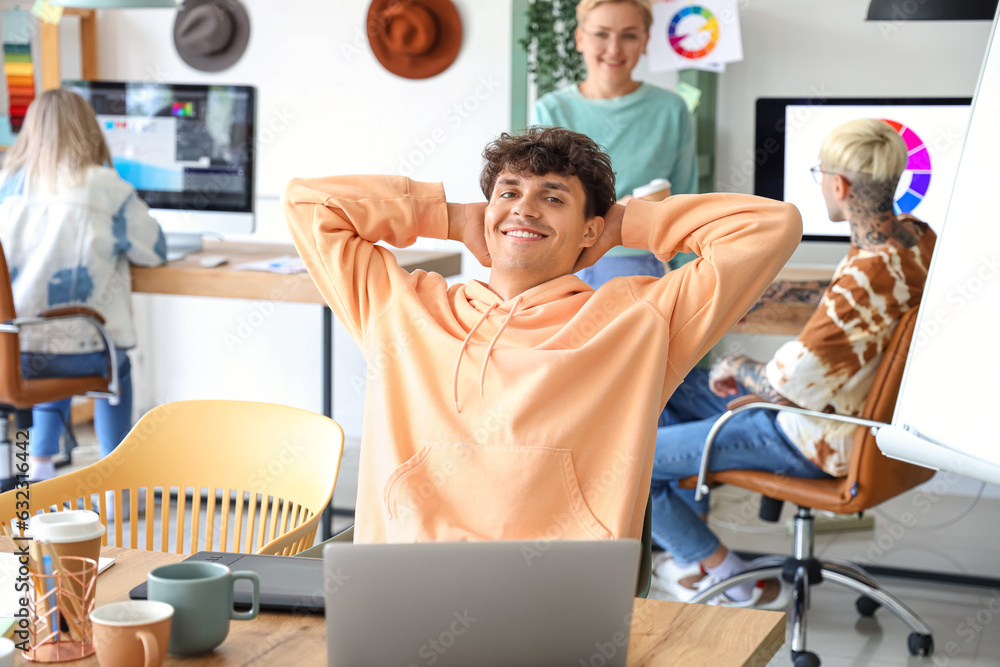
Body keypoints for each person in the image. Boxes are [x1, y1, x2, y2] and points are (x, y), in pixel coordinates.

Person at [283, 126, 800, 544]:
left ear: (591, 230)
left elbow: (771, 226)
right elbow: (311, 205)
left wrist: (626, 224)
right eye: (509, 193)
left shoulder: (640, 320)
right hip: (403, 574)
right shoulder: (403, 306)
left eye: (553, 199)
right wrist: (444, 215)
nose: (524, 209)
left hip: (560, 586)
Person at [648, 118, 936, 607]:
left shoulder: (859, 286)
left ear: (838, 185)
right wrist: (784, 295)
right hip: (859, 421)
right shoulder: (915, 239)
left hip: (811, 435)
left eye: (819, 173)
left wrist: (736, 365)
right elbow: (857, 302)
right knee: (665, 389)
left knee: (628, 457)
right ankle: (685, 550)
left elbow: (781, 389)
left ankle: (726, 574)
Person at [0, 88, 166, 482]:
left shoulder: (8, 185)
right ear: (89, 131)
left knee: (46, 353)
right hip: (86, 349)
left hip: (13, 352)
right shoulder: (104, 185)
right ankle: (115, 481)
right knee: (113, 366)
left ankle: (40, 465)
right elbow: (154, 251)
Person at [533, 0, 698, 289]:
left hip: (648, 270)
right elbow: (542, 202)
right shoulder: (551, 111)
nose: (614, 49)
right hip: (566, 267)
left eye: (629, 35)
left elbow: (686, 199)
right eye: (601, 34)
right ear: (580, 38)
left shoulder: (671, 109)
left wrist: (692, 283)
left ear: (645, 41)